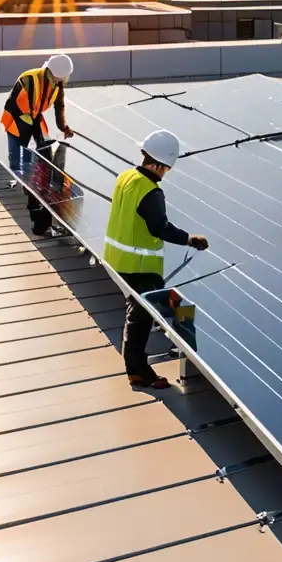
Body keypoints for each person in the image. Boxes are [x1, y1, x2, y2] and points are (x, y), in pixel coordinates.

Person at [104, 129, 209, 389]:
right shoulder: (151, 192)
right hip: (139, 267)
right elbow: (159, 228)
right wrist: (189, 238)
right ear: (163, 164)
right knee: (141, 318)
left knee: (158, 308)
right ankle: (140, 372)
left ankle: (174, 351)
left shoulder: (126, 177)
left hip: (117, 260)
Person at [0, 54, 76, 236]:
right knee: (17, 156)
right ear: (54, 73)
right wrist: (32, 126)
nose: (63, 80)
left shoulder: (57, 85)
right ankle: (21, 180)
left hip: (34, 118)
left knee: (43, 149)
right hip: (17, 119)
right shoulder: (29, 79)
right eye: (62, 77)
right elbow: (17, 104)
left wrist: (63, 127)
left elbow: (59, 107)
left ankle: (32, 183)